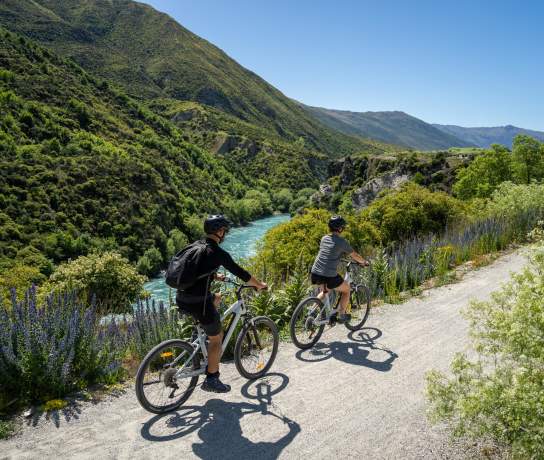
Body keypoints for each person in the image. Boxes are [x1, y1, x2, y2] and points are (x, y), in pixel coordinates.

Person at [176, 215, 267, 393]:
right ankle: (212, 378)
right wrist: (259, 284)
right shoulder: (217, 253)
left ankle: (199, 334)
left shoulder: (196, 246)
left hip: (182, 298)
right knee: (217, 338)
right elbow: (242, 273)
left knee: (217, 297)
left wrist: (215, 276)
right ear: (220, 231)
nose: (224, 234)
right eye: (224, 231)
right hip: (198, 302)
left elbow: (195, 271)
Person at [310, 215, 368, 323]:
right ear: (340, 228)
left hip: (315, 272)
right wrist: (363, 262)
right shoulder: (342, 242)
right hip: (328, 274)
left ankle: (312, 311)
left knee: (326, 291)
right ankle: (342, 314)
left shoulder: (324, 238)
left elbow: (328, 252)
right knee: (347, 290)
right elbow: (354, 255)